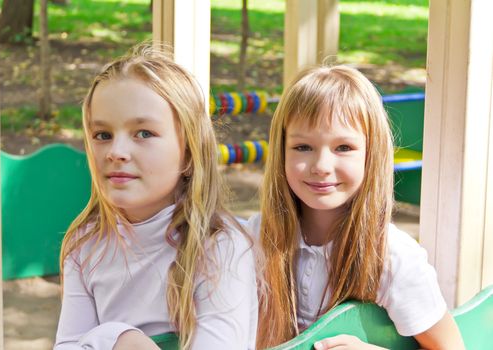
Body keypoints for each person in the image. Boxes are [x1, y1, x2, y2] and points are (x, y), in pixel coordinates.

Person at [54, 44, 258, 350]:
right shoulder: (84, 246)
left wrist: (110, 341)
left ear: (189, 152)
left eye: (144, 133)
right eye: (102, 135)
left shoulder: (221, 248)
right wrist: (116, 338)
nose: (116, 152)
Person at [250, 65, 465, 349]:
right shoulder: (255, 237)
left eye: (343, 148)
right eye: (303, 147)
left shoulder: (391, 256)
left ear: (371, 154)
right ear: (281, 152)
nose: (322, 167)